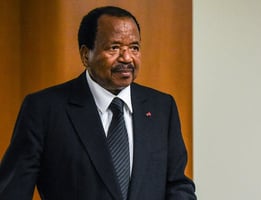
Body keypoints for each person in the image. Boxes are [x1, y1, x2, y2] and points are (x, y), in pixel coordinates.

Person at [0, 6, 196, 200]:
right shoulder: (44, 109)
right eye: (114, 47)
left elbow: (177, 184)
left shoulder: (161, 107)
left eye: (134, 48)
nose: (127, 58)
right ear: (86, 55)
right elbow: (13, 190)